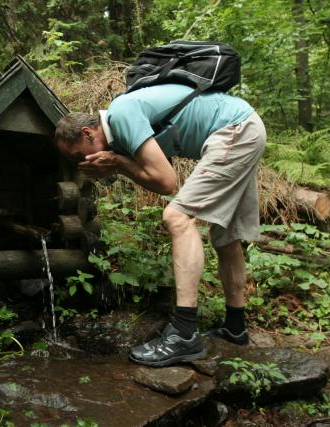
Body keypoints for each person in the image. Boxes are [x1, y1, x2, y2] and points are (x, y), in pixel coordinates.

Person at [54, 83, 266, 367]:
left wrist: (118, 162)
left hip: (235, 130)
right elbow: (156, 180)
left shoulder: (121, 114)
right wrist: (118, 163)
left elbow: (167, 182)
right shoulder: (122, 126)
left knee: (177, 217)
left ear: (87, 133)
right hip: (244, 127)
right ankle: (235, 327)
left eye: (78, 155)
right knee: (226, 235)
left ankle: (184, 334)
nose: (82, 162)